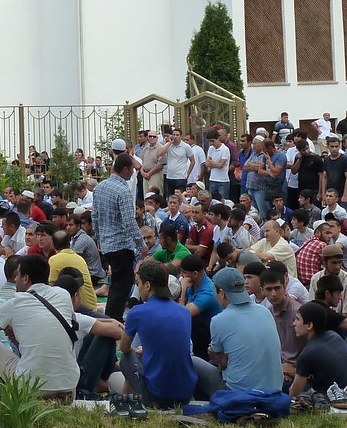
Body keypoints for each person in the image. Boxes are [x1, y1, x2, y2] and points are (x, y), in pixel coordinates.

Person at [0, 255, 84, 396]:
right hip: (69, 386)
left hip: (30, 387)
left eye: (17, 275)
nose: (15, 279)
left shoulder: (16, 302)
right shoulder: (63, 294)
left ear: (25, 278)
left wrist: (4, 326)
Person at [117, 260, 196, 407]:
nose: (138, 288)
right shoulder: (184, 311)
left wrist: (138, 351)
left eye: (138, 284)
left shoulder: (137, 312)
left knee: (126, 358)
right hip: (186, 395)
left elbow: (124, 348)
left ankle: (123, 401)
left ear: (147, 285)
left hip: (156, 397)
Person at [195, 268, 283, 396]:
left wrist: (218, 356)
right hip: (274, 391)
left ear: (221, 293)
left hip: (239, 394)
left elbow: (222, 363)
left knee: (193, 362)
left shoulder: (219, 320)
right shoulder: (265, 311)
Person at [91, 152, 141, 321]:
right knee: (122, 285)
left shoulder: (99, 187)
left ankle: (113, 318)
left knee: (118, 283)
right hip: (121, 245)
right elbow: (129, 221)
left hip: (107, 244)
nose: (133, 172)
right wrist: (141, 244)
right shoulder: (123, 190)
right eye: (132, 169)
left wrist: (99, 239)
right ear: (125, 169)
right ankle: (113, 320)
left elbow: (95, 216)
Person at [288, 302, 347, 405]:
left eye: (297, 319)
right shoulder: (334, 336)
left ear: (309, 325)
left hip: (339, 401)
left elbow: (294, 393)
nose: (294, 323)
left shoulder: (308, 353)